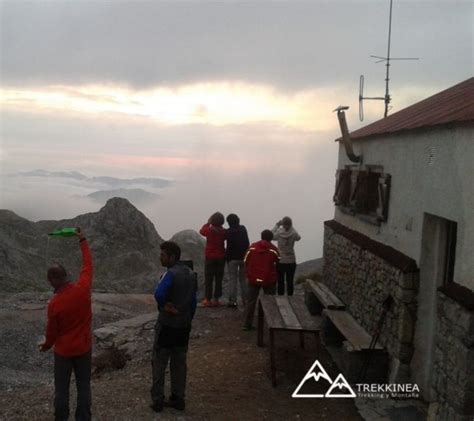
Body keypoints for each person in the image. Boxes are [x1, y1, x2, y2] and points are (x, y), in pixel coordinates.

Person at [39, 227, 93, 421]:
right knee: (84, 386)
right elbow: (88, 265)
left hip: (63, 353)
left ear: (52, 281)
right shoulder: (83, 288)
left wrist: (46, 346)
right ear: (66, 276)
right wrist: (83, 240)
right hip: (84, 348)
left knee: (62, 390)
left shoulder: (54, 304)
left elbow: (52, 332)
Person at [151, 241, 197, 413]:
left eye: (163, 255)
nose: (160, 257)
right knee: (179, 363)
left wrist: (165, 306)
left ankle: (157, 400)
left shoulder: (170, 274)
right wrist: (188, 318)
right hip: (183, 327)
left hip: (167, 326)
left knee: (159, 363)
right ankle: (178, 399)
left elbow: (159, 294)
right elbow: (193, 302)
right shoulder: (192, 274)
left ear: (172, 257)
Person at [242, 230, 279, 331]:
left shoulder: (252, 247)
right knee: (270, 301)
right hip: (268, 278)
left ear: (261, 236)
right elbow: (278, 260)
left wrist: (248, 270)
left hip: (253, 277)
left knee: (251, 301)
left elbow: (245, 260)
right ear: (271, 238)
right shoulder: (274, 249)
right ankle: (272, 324)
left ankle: (246, 324)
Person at [199, 212, 226, 307]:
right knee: (219, 279)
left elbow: (201, 231)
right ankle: (216, 299)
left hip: (210, 257)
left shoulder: (209, 230)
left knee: (209, 278)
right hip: (221, 257)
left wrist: (208, 222)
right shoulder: (224, 232)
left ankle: (207, 299)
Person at [225, 213, 250, 308]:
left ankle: (232, 301)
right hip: (243, 257)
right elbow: (247, 242)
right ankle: (246, 300)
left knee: (233, 280)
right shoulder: (243, 228)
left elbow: (229, 246)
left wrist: (227, 257)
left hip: (232, 258)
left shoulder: (228, 232)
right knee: (243, 280)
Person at [272, 216, 301, 296]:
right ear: (291, 224)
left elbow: (270, 235)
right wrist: (291, 227)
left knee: (280, 280)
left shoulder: (279, 233)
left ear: (283, 224)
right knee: (290, 281)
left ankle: (280, 297)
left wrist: (277, 225)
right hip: (291, 260)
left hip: (281, 260)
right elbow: (299, 238)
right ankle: (290, 297)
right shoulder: (294, 233)